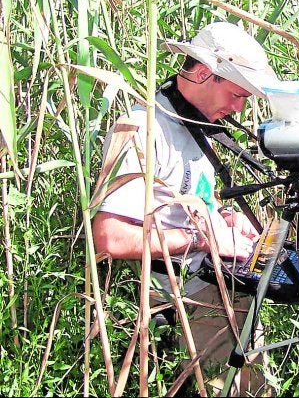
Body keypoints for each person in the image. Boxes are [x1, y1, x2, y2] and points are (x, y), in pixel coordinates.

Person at [92, 21, 281, 396]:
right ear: (203, 73)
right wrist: (204, 239)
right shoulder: (144, 127)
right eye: (237, 94)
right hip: (184, 295)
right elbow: (108, 237)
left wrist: (224, 221)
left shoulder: (196, 122)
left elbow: (180, 205)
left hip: (218, 282)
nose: (239, 107)